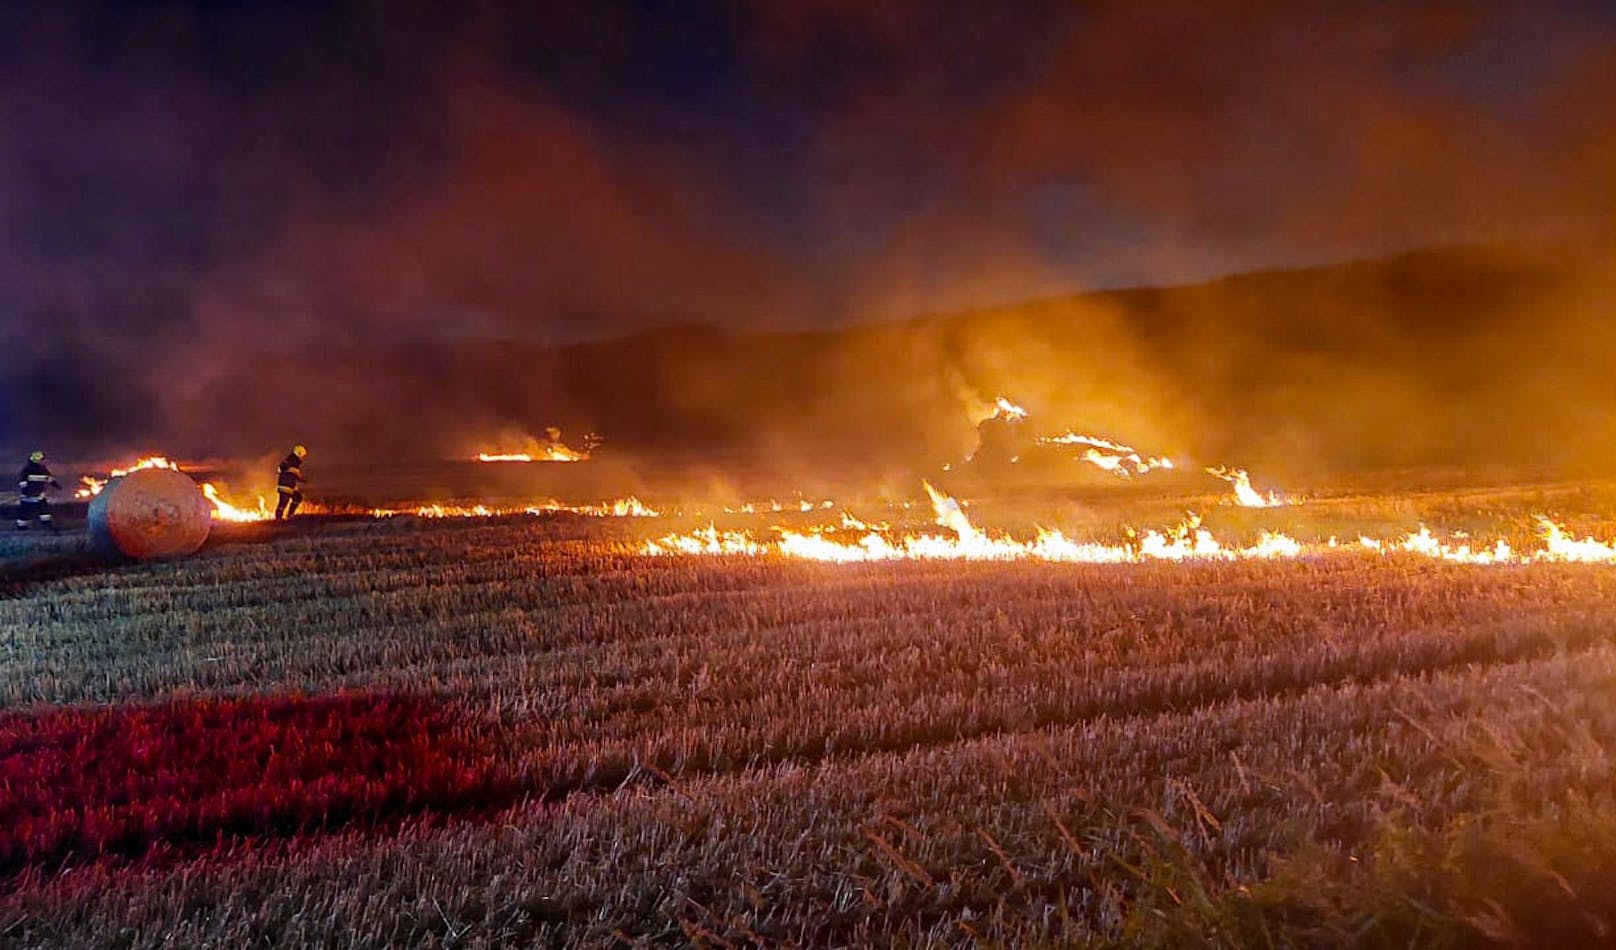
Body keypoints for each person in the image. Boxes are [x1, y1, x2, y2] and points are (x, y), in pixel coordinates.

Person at [16, 450, 62, 531]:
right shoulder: (28, 469)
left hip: (38, 494)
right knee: (26, 512)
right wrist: (26, 490)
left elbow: (49, 479)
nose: (43, 461)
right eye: (42, 460)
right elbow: (22, 481)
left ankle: (46, 525)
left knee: (43, 512)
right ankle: (22, 527)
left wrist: (57, 486)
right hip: (29, 495)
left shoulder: (40, 469)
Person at [274, 444, 308, 521]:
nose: (302, 458)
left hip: (290, 485)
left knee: (297, 498)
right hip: (285, 486)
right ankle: (278, 519)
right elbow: (282, 468)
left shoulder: (294, 462)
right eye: (302, 456)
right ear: (298, 454)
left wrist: (298, 478)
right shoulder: (290, 461)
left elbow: (294, 474)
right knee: (283, 503)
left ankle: (290, 515)